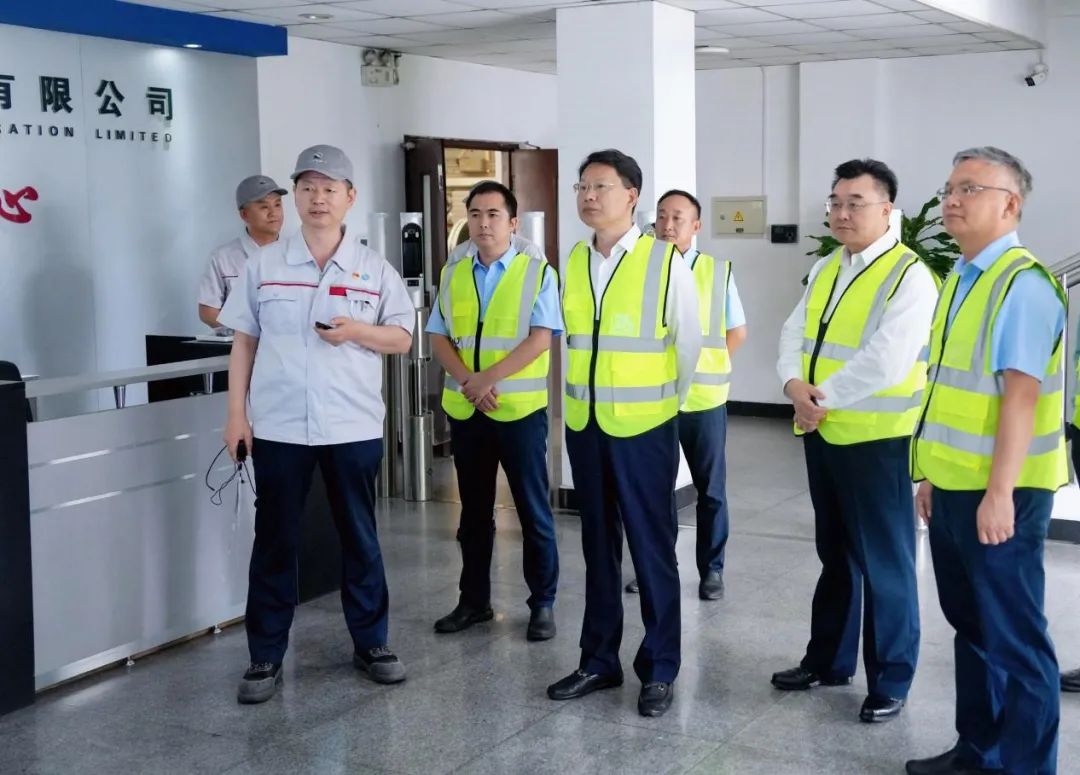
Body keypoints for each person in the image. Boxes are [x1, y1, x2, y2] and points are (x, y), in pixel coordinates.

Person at [218, 145, 415, 704]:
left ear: (350, 197)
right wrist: (236, 415)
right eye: (307, 187)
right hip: (279, 427)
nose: (318, 198)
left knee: (360, 537)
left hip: (352, 425)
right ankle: (265, 655)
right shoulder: (265, 266)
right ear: (297, 196)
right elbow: (243, 342)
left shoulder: (373, 268)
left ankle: (372, 643)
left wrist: (356, 331)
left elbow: (402, 337)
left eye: (329, 188)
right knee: (275, 540)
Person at [907, 147, 1066, 775]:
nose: (952, 199)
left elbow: (1020, 401)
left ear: (1010, 204)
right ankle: (979, 751)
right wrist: (930, 476)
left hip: (1003, 495)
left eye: (970, 189)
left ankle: (1026, 765)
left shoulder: (1022, 285)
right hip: (954, 486)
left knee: (1014, 638)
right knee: (972, 628)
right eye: (950, 188)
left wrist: (999, 494)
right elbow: (947, 390)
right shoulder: (961, 277)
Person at [771, 159, 937, 723]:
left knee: (885, 564)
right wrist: (792, 384)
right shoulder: (828, 266)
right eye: (836, 203)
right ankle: (829, 661)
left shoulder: (910, 275)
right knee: (836, 555)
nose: (842, 213)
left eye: (855, 203)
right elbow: (794, 331)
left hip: (877, 441)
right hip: (824, 433)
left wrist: (818, 398)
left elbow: (887, 359)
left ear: (888, 209)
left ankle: (890, 679)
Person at [546, 149, 701, 718]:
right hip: (586, 427)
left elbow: (687, 346)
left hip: (645, 428)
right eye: (582, 187)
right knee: (597, 547)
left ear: (631, 195)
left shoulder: (664, 261)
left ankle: (660, 667)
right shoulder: (574, 259)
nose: (588, 196)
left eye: (600, 187)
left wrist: (659, 407)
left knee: (651, 548)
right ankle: (598, 660)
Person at [427, 180, 562, 641]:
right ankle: (474, 601)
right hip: (469, 412)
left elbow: (540, 339)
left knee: (532, 510)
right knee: (474, 513)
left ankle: (542, 603)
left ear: (512, 222)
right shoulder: (454, 272)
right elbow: (438, 335)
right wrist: (470, 381)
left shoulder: (537, 271)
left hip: (518, 411)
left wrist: (487, 379)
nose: (483, 223)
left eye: (493, 214)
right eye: (475, 214)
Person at [625, 189, 747, 601]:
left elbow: (736, 331)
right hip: (654, 401)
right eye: (661, 216)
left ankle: (712, 570)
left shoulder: (716, 271)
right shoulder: (640, 269)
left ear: (696, 225)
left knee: (710, 490)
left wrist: (707, 367)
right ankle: (656, 568)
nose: (668, 225)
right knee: (655, 490)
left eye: (678, 217)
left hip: (703, 400)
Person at [198, 175, 286, 332]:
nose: (274, 213)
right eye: (264, 207)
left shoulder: (297, 253)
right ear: (244, 214)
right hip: (240, 343)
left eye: (278, 204)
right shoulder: (223, 257)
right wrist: (247, 333)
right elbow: (208, 312)